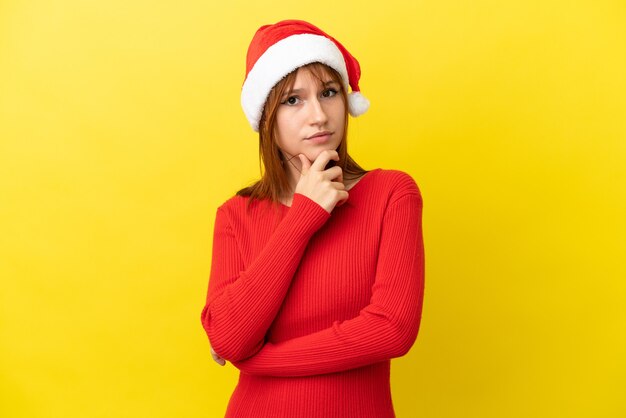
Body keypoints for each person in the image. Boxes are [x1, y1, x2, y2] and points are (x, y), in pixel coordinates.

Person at [200, 19, 425, 418]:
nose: (318, 115)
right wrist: (304, 215)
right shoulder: (236, 215)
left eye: (329, 92)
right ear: (266, 116)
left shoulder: (392, 194)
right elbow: (230, 336)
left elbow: (392, 330)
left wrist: (260, 361)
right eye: (293, 100)